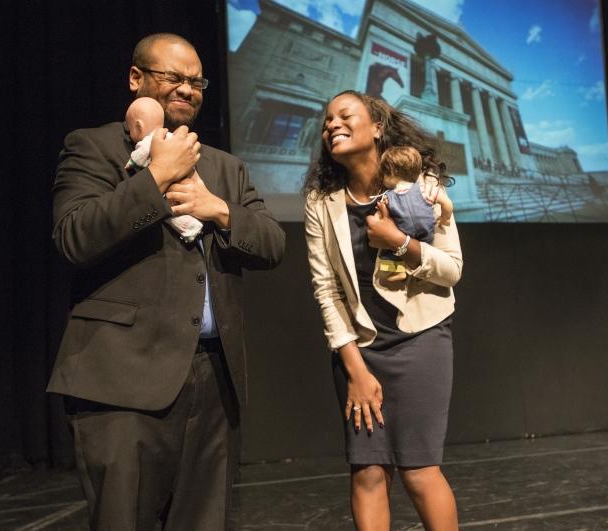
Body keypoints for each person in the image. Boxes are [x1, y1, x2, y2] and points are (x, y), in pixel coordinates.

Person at [48, 33, 285, 530]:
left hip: (214, 383)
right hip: (124, 383)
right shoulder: (93, 146)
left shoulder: (224, 166)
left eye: (195, 81)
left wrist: (217, 209)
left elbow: (270, 243)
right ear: (136, 79)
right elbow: (75, 237)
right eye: (172, 78)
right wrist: (154, 179)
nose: (188, 89)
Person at [303, 90, 462, 530]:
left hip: (421, 340)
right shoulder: (322, 202)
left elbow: (451, 271)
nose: (331, 123)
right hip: (359, 350)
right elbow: (326, 290)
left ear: (376, 127)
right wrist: (354, 369)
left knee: (418, 471)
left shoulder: (424, 187)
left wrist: (400, 244)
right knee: (368, 471)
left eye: (345, 115)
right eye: (326, 120)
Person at [125, 96, 204, 242]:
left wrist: (131, 163)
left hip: (168, 187)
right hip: (185, 179)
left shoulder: (149, 141)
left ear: (138, 126)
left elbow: (139, 157)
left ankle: (190, 230)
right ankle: (193, 227)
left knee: (170, 210)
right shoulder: (171, 137)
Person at [377, 145, 453, 282]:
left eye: (384, 174)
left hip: (403, 234)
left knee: (390, 251)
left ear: (392, 172)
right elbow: (447, 203)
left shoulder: (389, 196)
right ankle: (413, 271)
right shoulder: (425, 189)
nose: (382, 178)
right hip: (427, 234)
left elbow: (381, 217)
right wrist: (445, 217)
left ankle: (399, 270)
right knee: (423, 253)